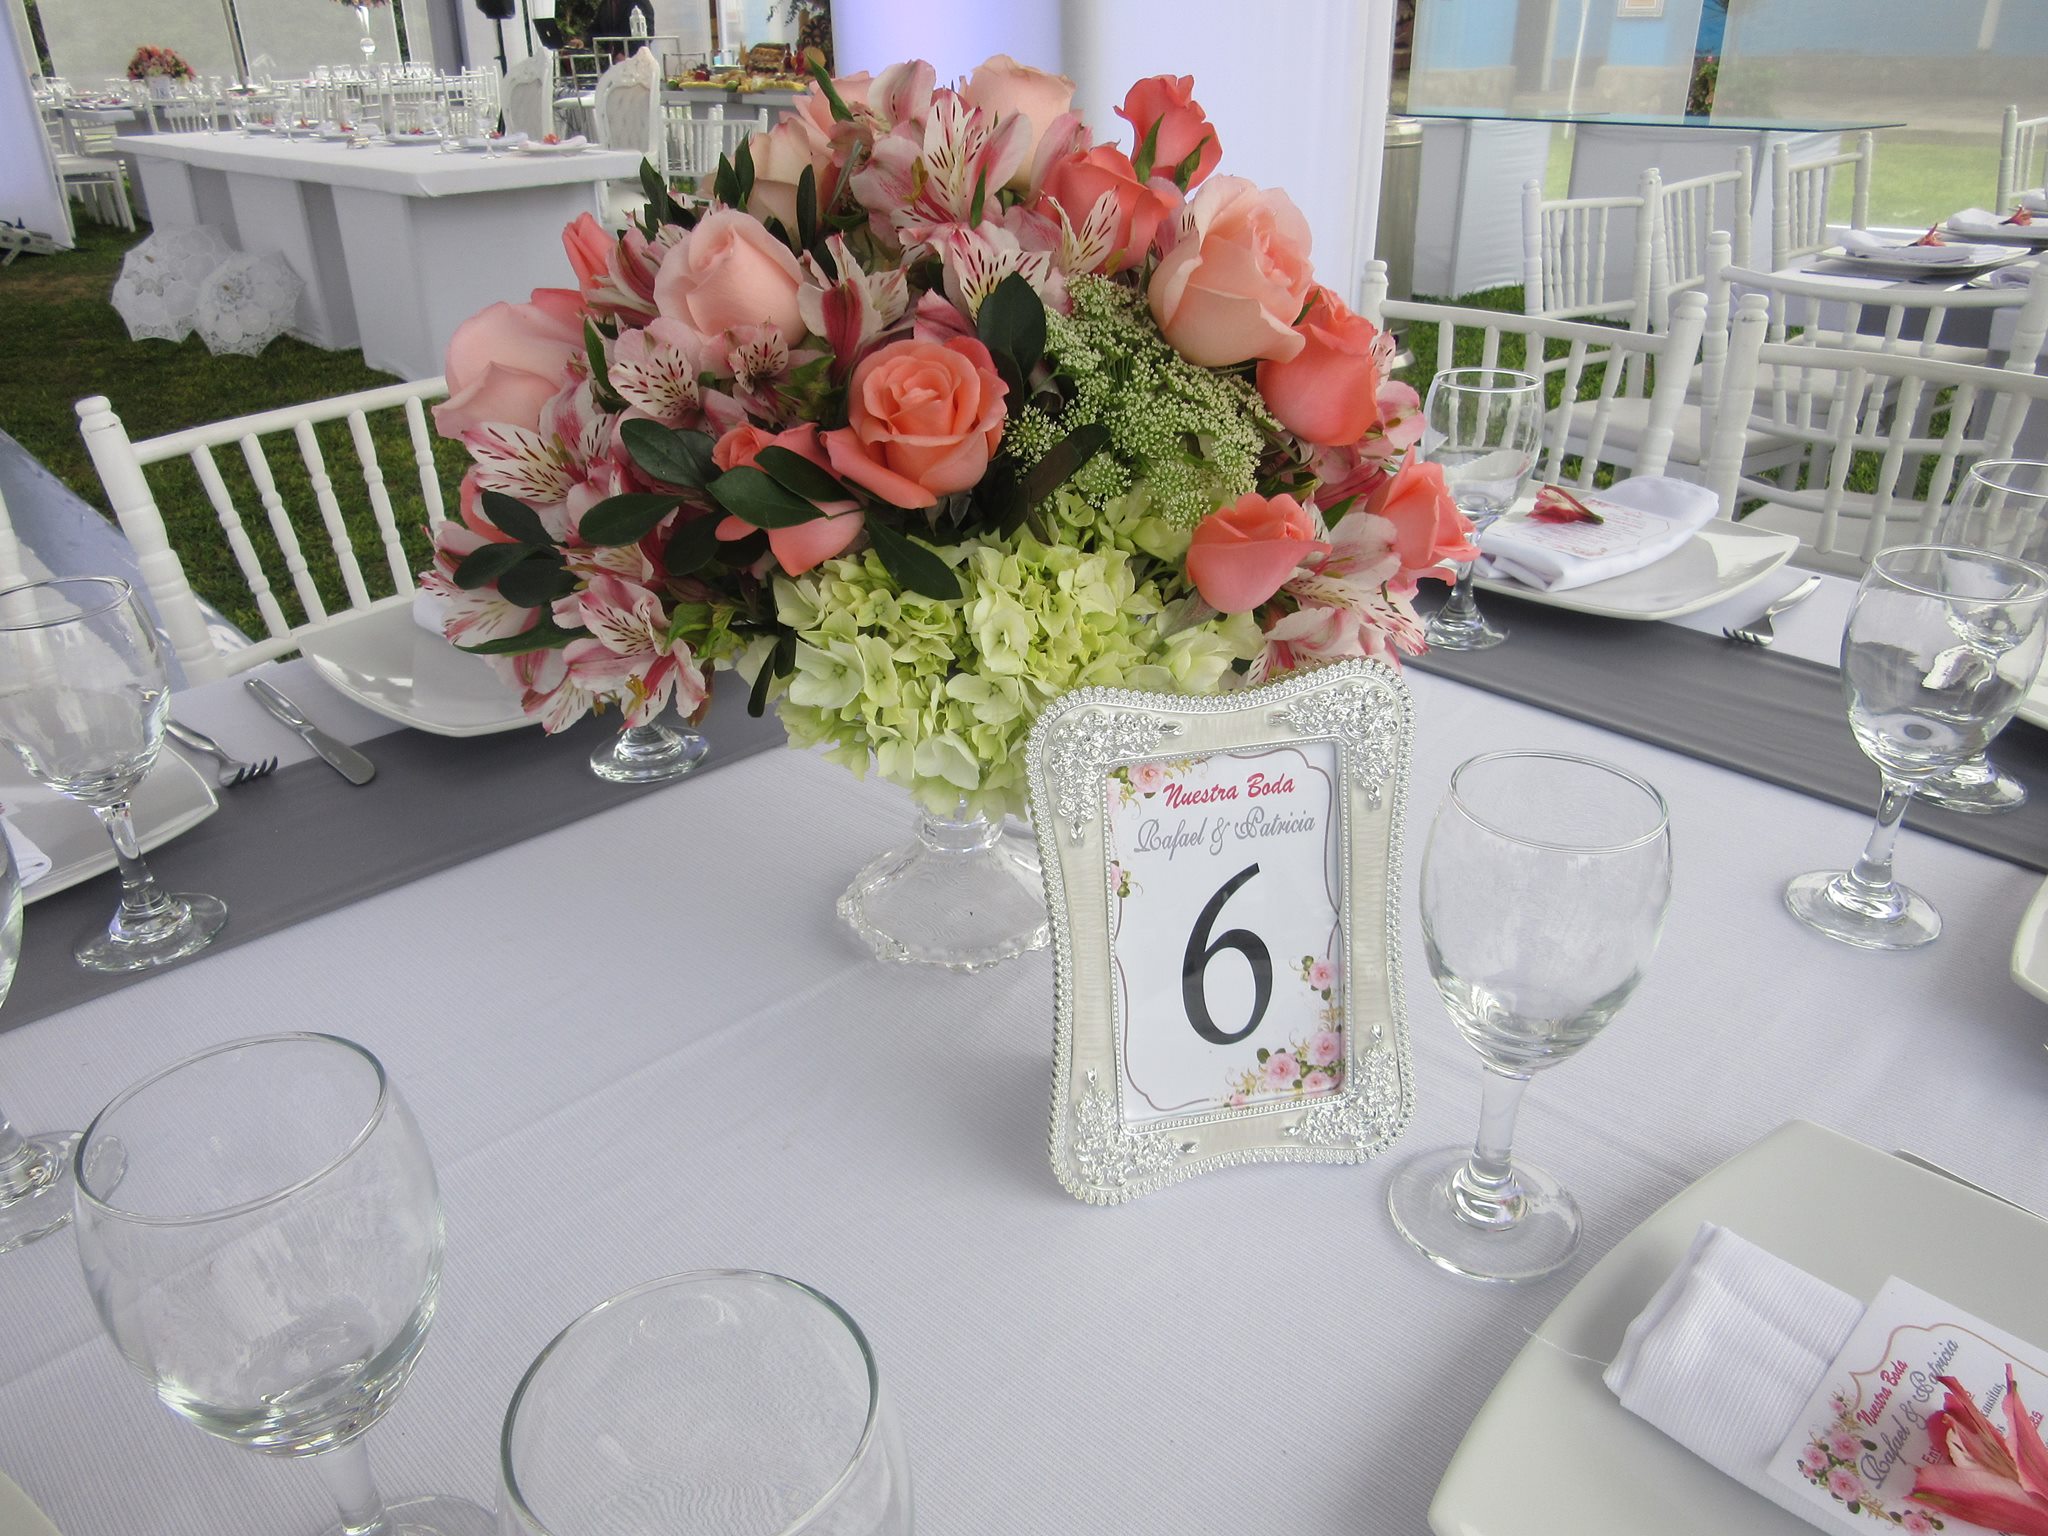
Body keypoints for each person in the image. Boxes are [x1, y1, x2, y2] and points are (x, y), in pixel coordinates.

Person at [590, 0, 654, 58]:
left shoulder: (639, 2)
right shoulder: (606, 4)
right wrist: (585, 40)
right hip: (612, 60)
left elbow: (647, 33)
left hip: (635, 60)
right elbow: (596, 29)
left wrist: (626, 54)